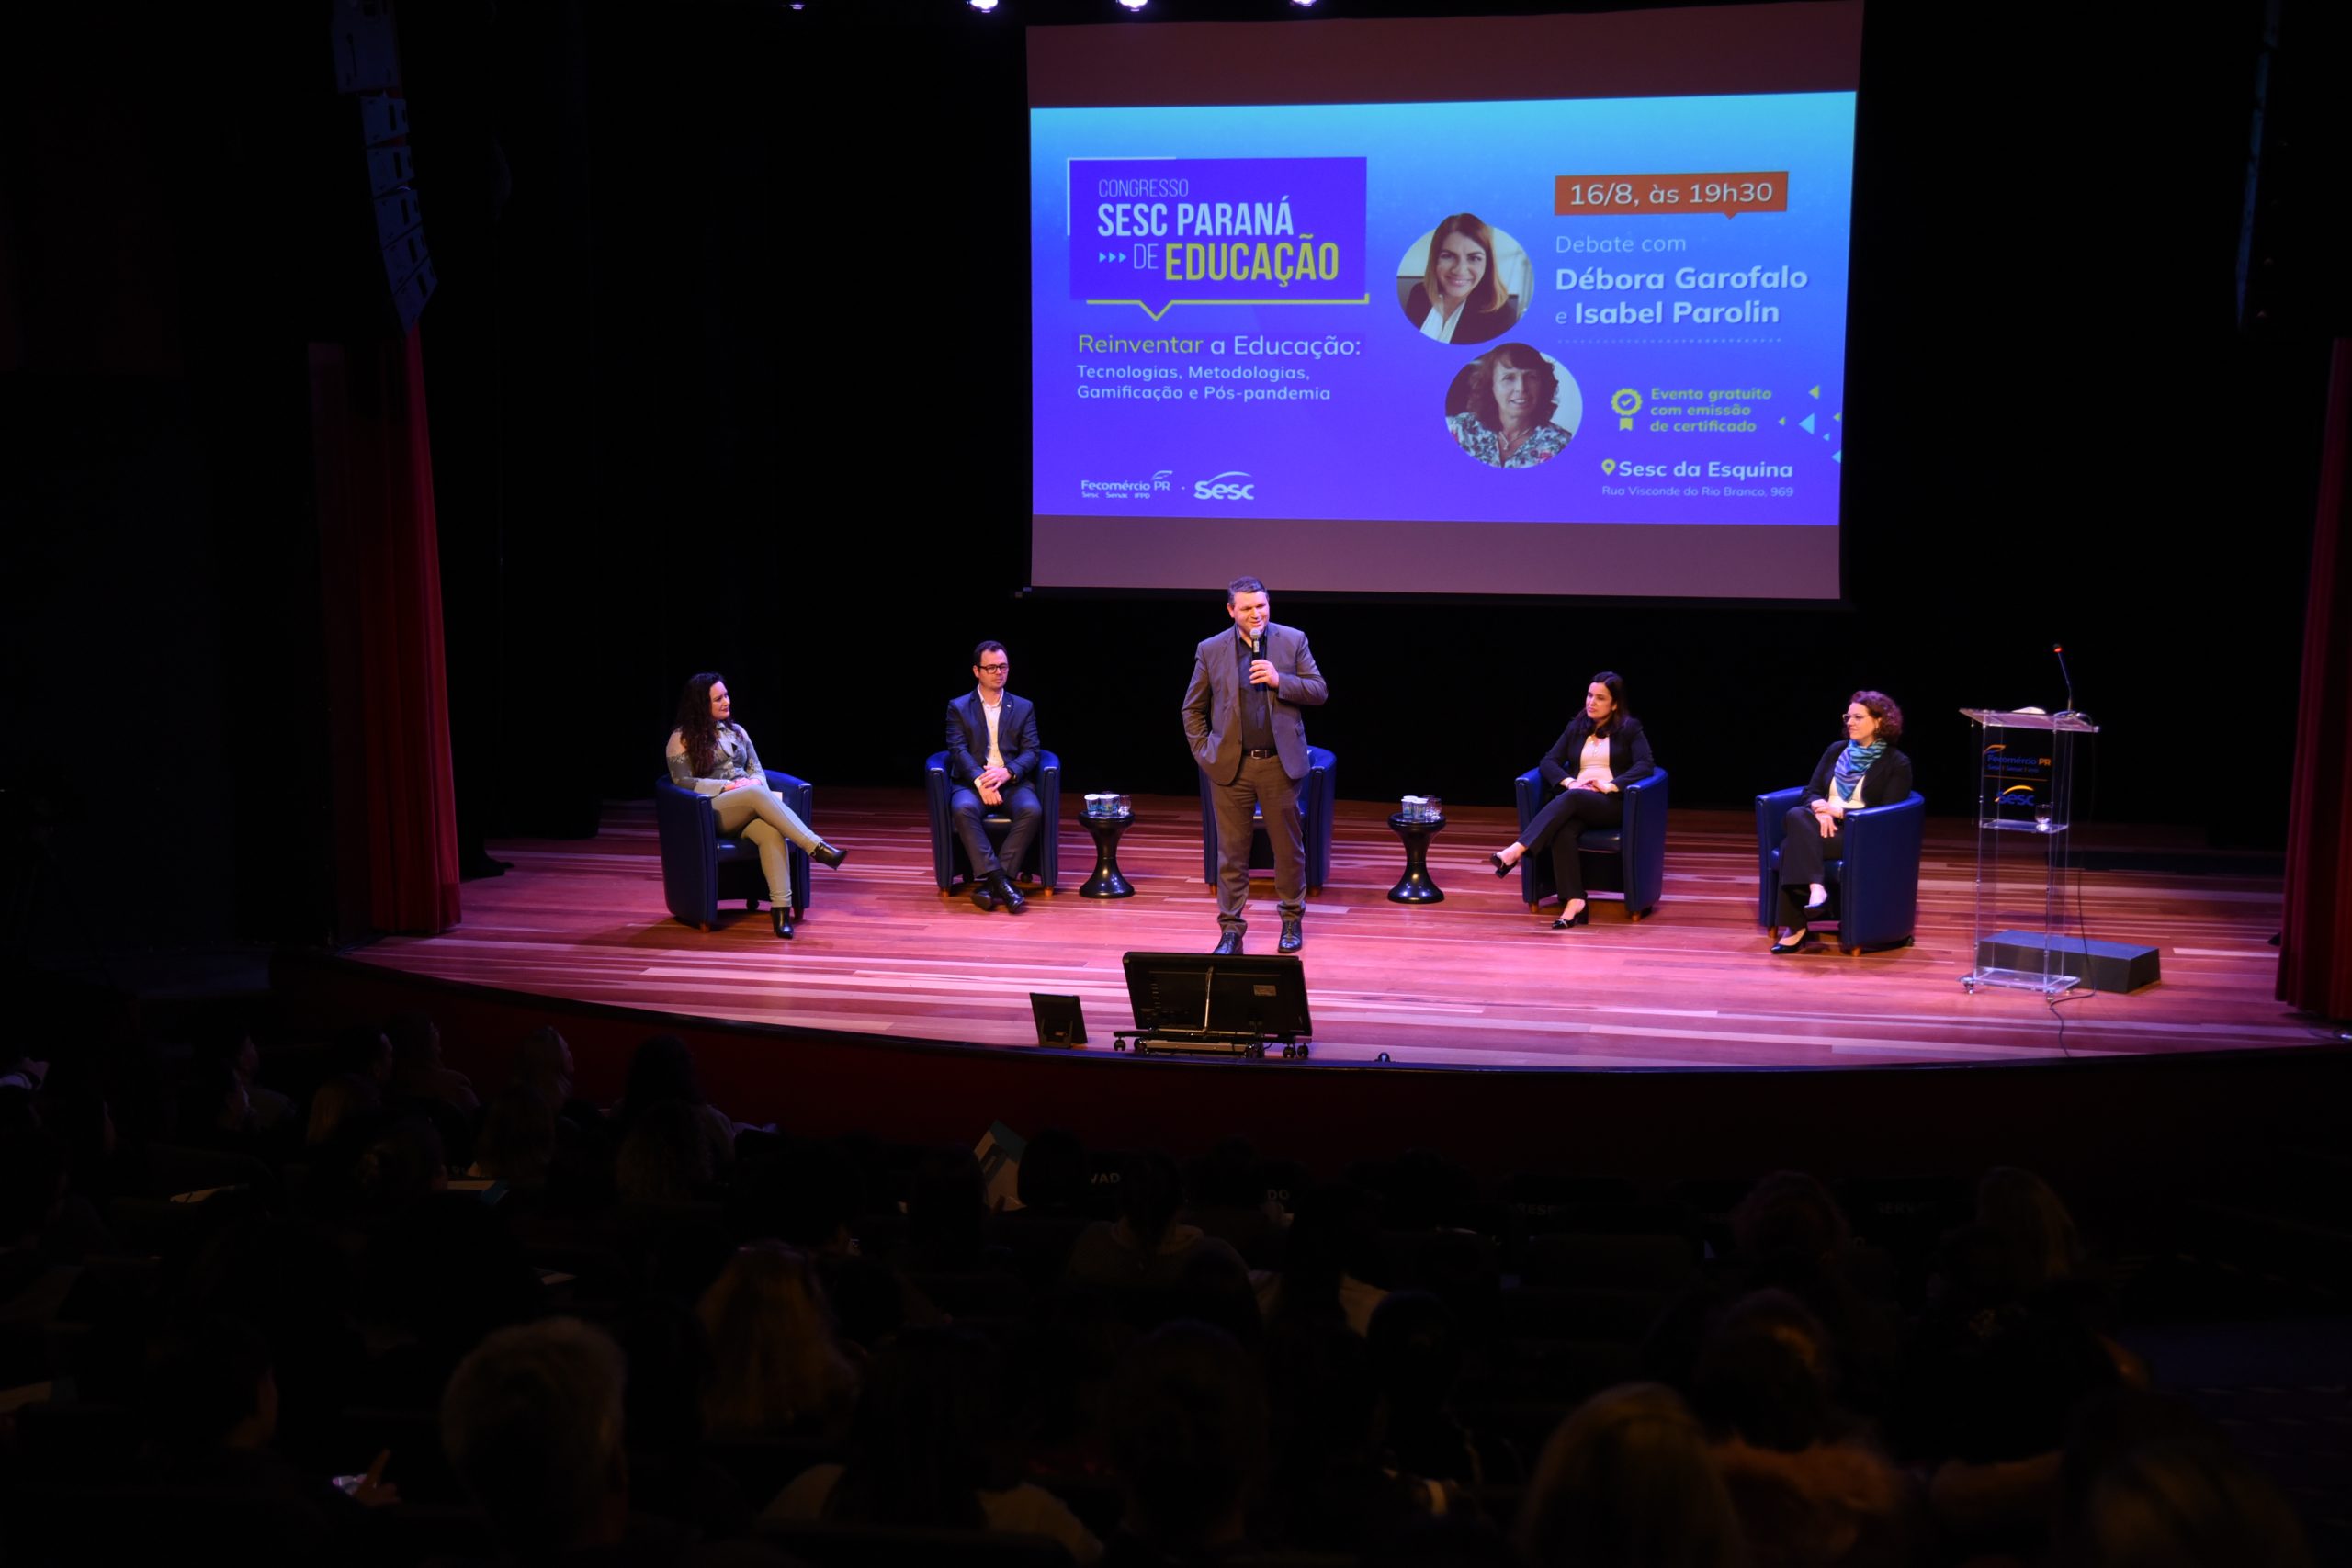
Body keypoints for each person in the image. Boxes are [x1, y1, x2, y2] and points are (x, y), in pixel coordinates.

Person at [1182, 576, 1329, 954]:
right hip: (1231, 769)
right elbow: (1192, 709)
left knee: (1288, 851)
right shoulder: (1211, 649)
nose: (1256, 614)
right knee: (1231, 854)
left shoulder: (1292, 640)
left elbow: (1318, 690)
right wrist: (1204, 752)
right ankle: (1231, 930)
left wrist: (1281, 680)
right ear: (1231, 611)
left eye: (1261, 606)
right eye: (1246, 608)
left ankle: (1291, 920)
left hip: (1279, 765)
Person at [666, 671, 847, 940]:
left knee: (770, 831)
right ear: (700, 704)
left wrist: (754, 782)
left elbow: (757, 770)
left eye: (726, 695)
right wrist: (728, 787)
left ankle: (781, 912)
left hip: (749, 803)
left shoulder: (737, 732)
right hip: (713, 811)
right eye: (718, 699)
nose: (726, 701)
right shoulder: (681, 738)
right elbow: (682, 781)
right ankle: (816, 848)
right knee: (754, 793)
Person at [1487, 671, 1657, 930]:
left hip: (1611, 803)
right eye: (1589, 695)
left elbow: (1646, 764)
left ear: (1614, 704)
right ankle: (1575, 901)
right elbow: (1548, 761)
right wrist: (1570, 782)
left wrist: (1609, 785)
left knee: (1574, 798)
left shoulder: (1629, 729)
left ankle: (1516, 850)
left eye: (1600, 698)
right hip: (1577, 800)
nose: (1591, 702)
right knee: (1563, 829)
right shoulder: (1576, 727)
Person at [1770, 691, 1912, 953]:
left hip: (1859, 833)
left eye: (1858, 717)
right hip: (1819, 824)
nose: (1850, 722)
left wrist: (1839, 812)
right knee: (1797, 814)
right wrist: (1819, 809)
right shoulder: (1836, 750)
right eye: (1848, 717)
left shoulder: (1896, 763)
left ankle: (1796, 928)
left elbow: (1887, 813)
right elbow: (1811, 791)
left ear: (1879, 721)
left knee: (1791, 844)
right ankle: (1816, 888)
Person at [943, 639, 1044, 914]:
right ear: (977, 671)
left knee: (1032, 810)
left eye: (1003, 667)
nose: (998, 672)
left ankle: (993, 884)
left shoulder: (1023, 706)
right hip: (972, 782)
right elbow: (958, 750)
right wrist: (981, 781)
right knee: (962, 809)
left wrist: (1007, 772)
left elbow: (1032, 751)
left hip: (1011, 781)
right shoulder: (958, 706)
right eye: (991, 668)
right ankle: (1002, 882)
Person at [1447, 343, 1573, 468]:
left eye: (1531, 377)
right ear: (1491, 385)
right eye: (1509, 378)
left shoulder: (1561, 444)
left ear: (1542, 385)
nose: (1521, 388)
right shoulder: (1460, 428)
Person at [1404, 213, 1518, 346]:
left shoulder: (1502, 317)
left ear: (1488, 264)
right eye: (1448, 256)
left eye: (1474, 258)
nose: (1460, 270)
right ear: (1435, 259)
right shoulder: (1419, 293)